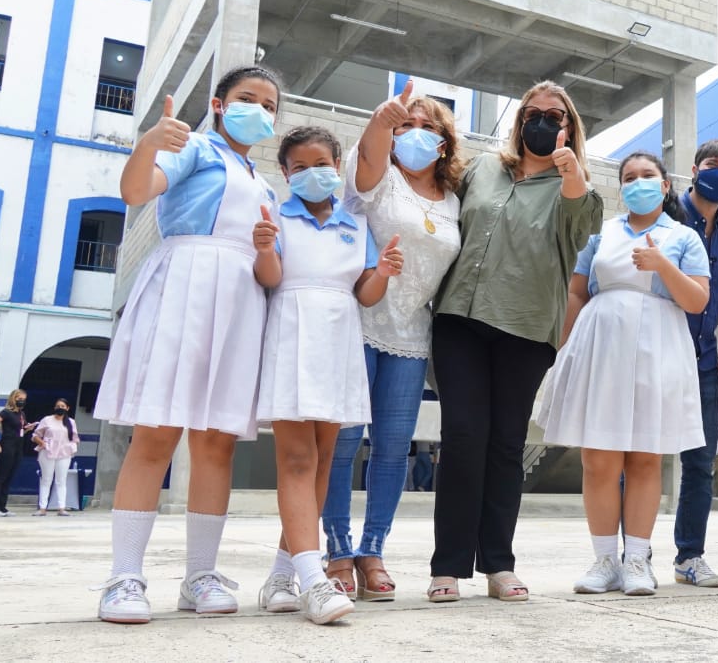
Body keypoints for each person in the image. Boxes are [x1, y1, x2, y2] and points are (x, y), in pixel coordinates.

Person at [92, 66, 282, 624]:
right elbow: (135, 191)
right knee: (155, 434)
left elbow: (270, 270)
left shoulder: (267, 184)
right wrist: (151, 142)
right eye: (248, 98)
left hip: (240, 301)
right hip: (184, 286)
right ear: (220, 105)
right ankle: (123, 577)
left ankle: (200, 574)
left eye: (270, 105)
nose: (260, 110)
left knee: (216, 443)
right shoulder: (194, 148)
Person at [429, 81, 603, 603]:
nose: (542, 122)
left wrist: (568, 166)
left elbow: (576, 230)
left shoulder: (580, 191)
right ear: (519, 120)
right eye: (533, 113)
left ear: (570, 125)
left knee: (506, 444)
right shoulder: (482, 168)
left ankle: (499, 564)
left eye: (555, 115)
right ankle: (448, 566)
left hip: (525, 328)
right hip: (460, 317)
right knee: (462, 436)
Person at [538, 151, 709, 596]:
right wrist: (562, 349)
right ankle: (604, 560)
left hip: (659, 344)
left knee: (645, 456)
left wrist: (663, 266)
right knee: (599, 458)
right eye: (629, 177)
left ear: (665, 185)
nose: (638, 183)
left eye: (647, 176)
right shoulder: (600, 232)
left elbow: (697, 301)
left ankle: (637, 559)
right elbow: (577, 293)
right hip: (601, 344)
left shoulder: (684, 237)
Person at [254, 126, 405, 624]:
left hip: (340, 341)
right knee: (296, 459)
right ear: (285, 173)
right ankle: (314, 579)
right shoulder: (276, 216)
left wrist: (382, 270)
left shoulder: (355, 224)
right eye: (299, 167)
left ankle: (281, 573)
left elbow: (366, 294)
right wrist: (263, 249)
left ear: (338, 164)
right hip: (293, 334)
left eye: (321, 163)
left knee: (321, 462)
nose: (310, 173)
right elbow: (270, 278)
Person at [323, 84, 462, 602]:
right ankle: (336, 550)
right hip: (359, 321)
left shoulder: (453, 201)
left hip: (412, 334)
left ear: (445, 144)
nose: (417, 135)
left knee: (393, 450)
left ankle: (372, 551)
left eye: (429, 128)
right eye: (408, 125)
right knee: (341, 442)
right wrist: (383, 122)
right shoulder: (378, 181)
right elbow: (367, 157)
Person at [673, 139, 718, 589]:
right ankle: (628, 555)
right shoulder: (668, 214)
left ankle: (689, 557)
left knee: (701, 462)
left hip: (703, 358)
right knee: (636, 454)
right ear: (696, 168)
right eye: (713, 165)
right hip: (660, 350)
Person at [0, 390, 36, 517]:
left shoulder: (21, 414)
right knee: (1, 477)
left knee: (9, 477)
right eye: (18, 398)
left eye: (23, 399)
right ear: (13, 398)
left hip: (18, 447)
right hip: (7, 446)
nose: (21, 401)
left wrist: (28, 429)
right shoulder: (6, 412)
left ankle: (2, 506)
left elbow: (20, 431)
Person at [32, 398, 80, 516]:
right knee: (46, 480)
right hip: (47, 452)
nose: (60, 408)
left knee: (61, 480)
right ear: (54, 408)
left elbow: (75, 438)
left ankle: (61, 508)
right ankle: (43, 508)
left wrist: (71, 447)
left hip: (64, 454)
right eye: (58, 406)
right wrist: (43, 443)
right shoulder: (47, 420)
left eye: (63, 406)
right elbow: (35, 436)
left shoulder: (71, 422)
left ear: (67, 408)